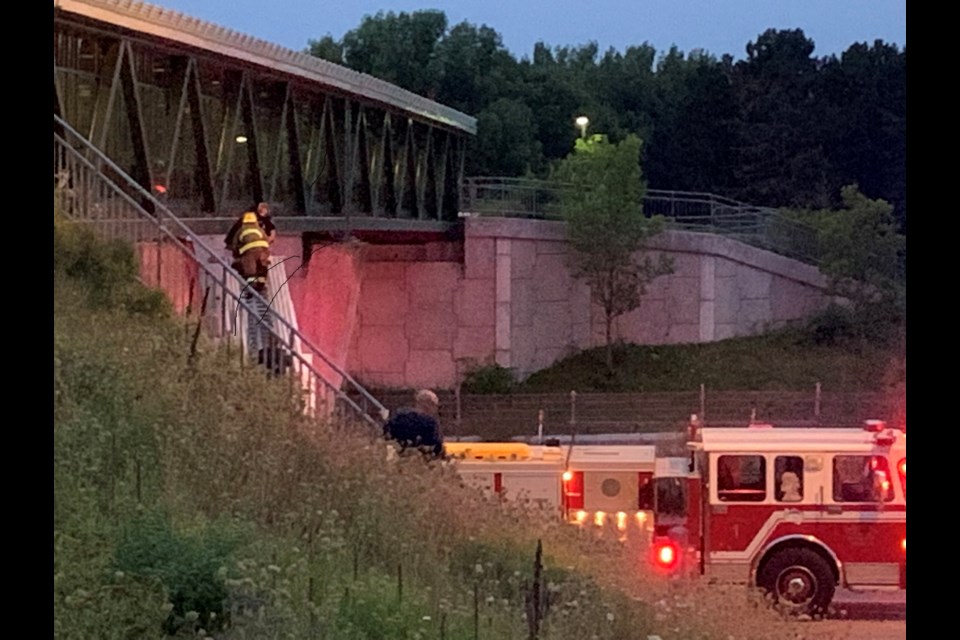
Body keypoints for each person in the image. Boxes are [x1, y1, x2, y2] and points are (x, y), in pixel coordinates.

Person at [383, 389, 445, 459]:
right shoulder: (430, 423)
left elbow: (386, 435)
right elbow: (436, 447)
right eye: (435, 406)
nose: (436, 409)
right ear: (428, 405)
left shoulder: (399, 416)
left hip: (398, 458)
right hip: (420, 461)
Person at [228, 211, 271, 296]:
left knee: (250, 270)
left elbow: (235, 244)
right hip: (263, 251)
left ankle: (251, 289)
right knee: (261, 267)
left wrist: (236, 255)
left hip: (249, 252)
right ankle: (261, 285)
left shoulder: (241, 230)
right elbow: (266, 239)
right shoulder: (259, 229)